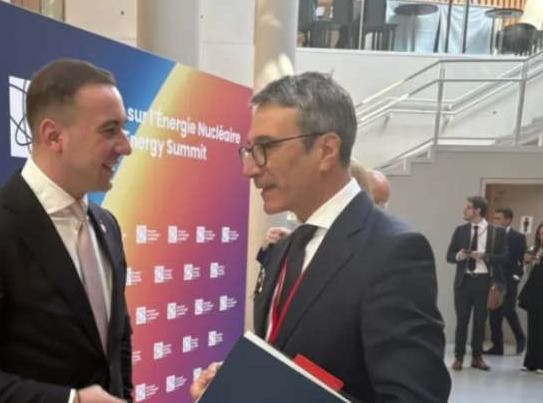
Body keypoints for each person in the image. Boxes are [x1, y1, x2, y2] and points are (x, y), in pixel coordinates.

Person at [192, 72, 450, 403]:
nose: (250, 169)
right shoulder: (286, 248)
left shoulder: (393, 253)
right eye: (249, 150)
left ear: (326, 150)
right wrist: (238, 385)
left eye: (266, 147)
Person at [0, 60, 133, 403]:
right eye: (109, 131)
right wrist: (71, 401)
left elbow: (117, 337)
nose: (126, 146)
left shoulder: (106, 225)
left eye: (123, 129)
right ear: (53, 136)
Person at [446, 196, 507, 371]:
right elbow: (449, 255)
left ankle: (477, 357)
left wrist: (484, 255)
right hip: (463, 281)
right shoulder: (460, 230)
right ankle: (459, 356)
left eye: (468, 207)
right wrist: (459, 256)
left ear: (478, 210)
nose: (464, 210)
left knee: (480, 321)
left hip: (483, 281)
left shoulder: (496, 232)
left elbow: (505, 257)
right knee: (462, 320)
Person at [485, 207, 527, 355]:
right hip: (495, 279)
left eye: (498, 218)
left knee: (508, 309)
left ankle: (520, 337)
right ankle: (497, 346)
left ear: (508, 220)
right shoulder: (492, 235)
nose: (495, 221)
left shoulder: (517, 237)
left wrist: (517, 276)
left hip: (510, 280)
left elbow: (522, 259)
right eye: (494, 218)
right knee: (494, 311)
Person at [519, 222, 543, 374]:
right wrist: (527, 261)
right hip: (534, 292)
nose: (542, 237)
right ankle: (531, 362)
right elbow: (527, 272)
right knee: (533, 328)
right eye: (540, 234)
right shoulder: (535, 249)